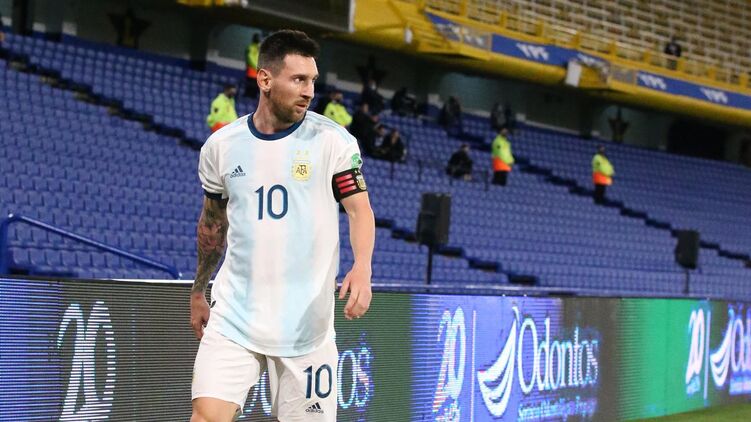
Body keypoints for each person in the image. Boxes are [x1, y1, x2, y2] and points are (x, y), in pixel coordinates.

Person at [191, 30, 375, 422]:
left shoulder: (333, 142)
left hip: (307, 327)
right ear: (265, 79)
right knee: (206, 415)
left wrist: (362, 267)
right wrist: (198, 290)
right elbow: (212, 225)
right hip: (235, 317)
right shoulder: (221, 147)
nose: (309, 91)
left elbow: (359, 210)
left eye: (312, 81)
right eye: (298, 80)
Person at [244, 33, 260, 98]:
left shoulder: (260, 48)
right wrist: (257, 67)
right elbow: (249, 59)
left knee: (255, 90)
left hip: (258, 72)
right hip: (251, 72)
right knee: (250, 87)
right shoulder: (250, 47)